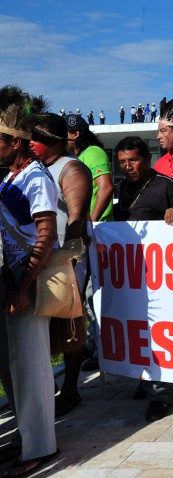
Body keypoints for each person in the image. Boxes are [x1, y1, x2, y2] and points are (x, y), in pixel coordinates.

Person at [112, 136, 173, 420]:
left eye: (133, 160)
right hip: (131, 273)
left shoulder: (167, 186)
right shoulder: (122, 187)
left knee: (157, 330)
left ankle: (159, 393)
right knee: (136, 326)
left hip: (161, 277)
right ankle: (144, 377)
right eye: (122, 162)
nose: (128, 167)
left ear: (146, 159)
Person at [0, 90, 60, 476]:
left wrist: (23, 285)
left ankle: (41, 447)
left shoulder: (36, 177)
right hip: (9, 282)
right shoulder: (10, 176)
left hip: (28, 282)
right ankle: (26, 436)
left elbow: (46, 234)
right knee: (11, 366)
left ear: (14, 142)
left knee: (31, 365)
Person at [29, 114, 94, 419]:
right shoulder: (38, 168)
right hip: (43, 256)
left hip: (65, 257)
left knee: (69, 323)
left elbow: (77, 216)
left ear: (53, 141)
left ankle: (70, 388)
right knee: (47, 323)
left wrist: (68, 257)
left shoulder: (72, 168)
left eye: (36, 139)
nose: (31, 143)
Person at [65, 114, 113, 223]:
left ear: (75, 134)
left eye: (63, 133)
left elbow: (106, 188)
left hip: (99, 228)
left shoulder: (93, 152)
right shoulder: (76, 157)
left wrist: (92, 221)